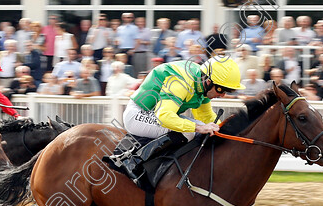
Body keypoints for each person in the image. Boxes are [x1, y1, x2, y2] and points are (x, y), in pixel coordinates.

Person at [104, 57, 245, 183]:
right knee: (191, 131)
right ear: (208, 81)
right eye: (221, 89)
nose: (223, 95)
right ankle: (132, 161)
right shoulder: (182, 83)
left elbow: (206, 118)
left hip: (156, 115)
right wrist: (199, 128)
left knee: (200, 126)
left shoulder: (201, 84)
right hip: (138, 115)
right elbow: (164, 116)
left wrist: (229, 134)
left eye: (227, 91)